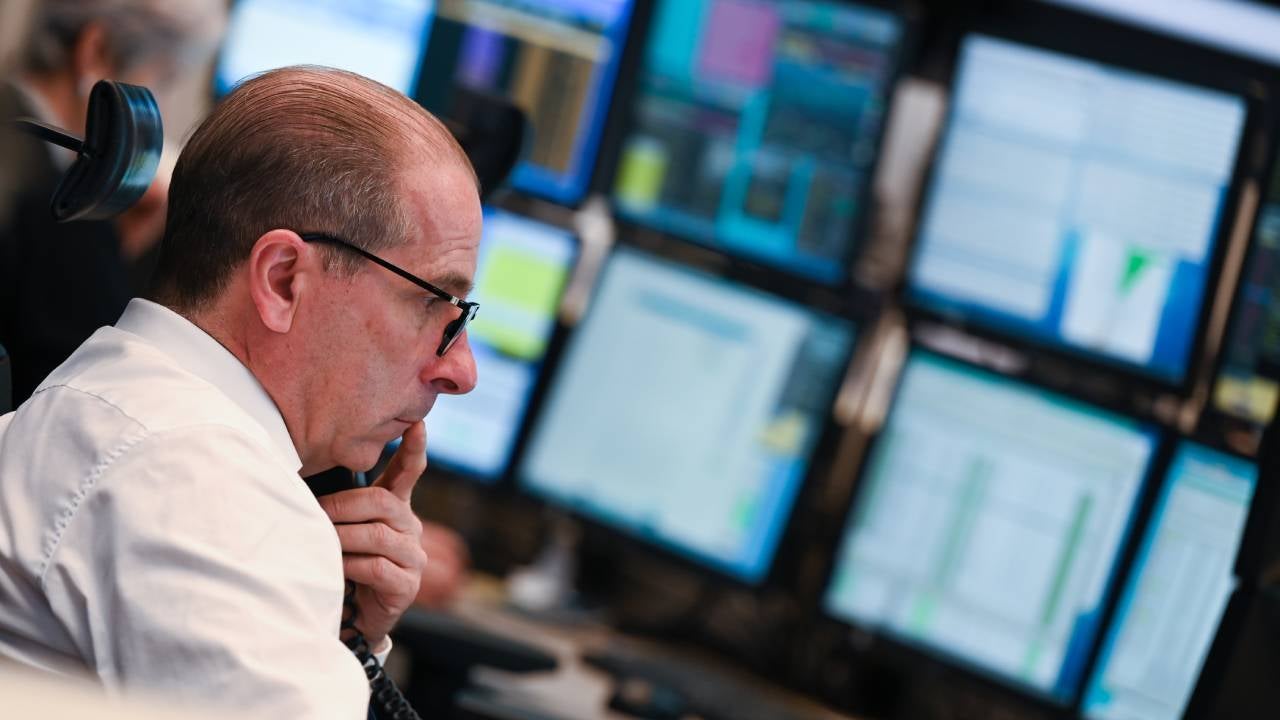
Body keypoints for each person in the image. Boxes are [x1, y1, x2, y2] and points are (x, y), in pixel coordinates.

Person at [0, 65, 482, 718]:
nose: (461, 372)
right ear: (284, 280)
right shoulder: (201, 484)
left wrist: (342, 640)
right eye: (437, 304)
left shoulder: (112, 410)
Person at [0, 0, 222, 406]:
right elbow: (92, 389)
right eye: (163, 78)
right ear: (95, 51)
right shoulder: (51, 202)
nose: (162, 106)